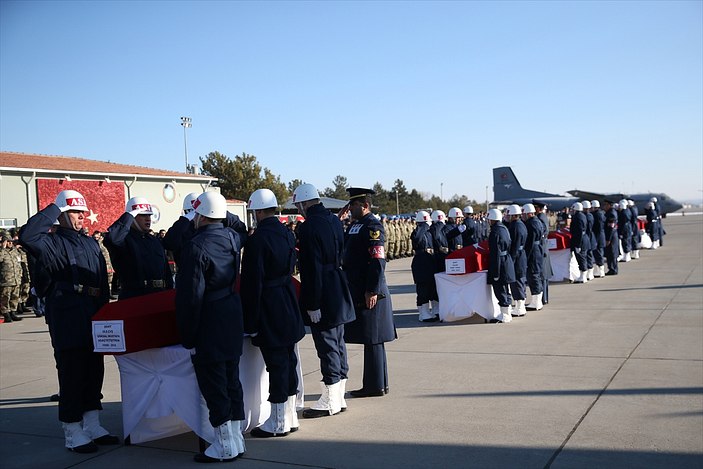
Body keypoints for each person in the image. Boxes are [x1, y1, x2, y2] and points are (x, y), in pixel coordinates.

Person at [19, 190, 117, 453]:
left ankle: (92, 423)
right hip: (67, 313)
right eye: (74, 211)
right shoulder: (50, 242)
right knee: (72, 372)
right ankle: (72, 430)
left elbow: (100, 282)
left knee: (94, 370)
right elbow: (27, 236)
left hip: (92, 310)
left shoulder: (90, 243)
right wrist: (54, 206)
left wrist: (104, 314)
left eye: (82, 212)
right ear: (61, 215)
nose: (80, 217)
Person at [175, 191, 247, 462]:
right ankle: (237, 440)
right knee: (232, 381)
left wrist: (188, 335)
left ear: (201, 215)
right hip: (231, 315)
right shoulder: (231, 238)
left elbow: (190, 296)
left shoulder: (196, 246)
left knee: (214, 384)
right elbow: (240, 229)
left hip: (209, 320)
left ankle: (224, 446)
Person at [240, 189, 305, 437]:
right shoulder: (287, 233)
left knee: (276, 363)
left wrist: (250, 319)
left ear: (256, 211)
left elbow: (251, 282)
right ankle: (290, 416)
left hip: (269, 303)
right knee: (289, 360)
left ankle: (277, 422)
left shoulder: (257, 240)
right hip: (287, 298)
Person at [292, 183, 355, 418]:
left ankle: (330, 400)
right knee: (338, 342)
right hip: (337, 284)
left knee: (327, 344)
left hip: (323, 288)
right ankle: (338, 397)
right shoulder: (333, 220)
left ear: (304, 203)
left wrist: (313, 302)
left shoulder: (309, 227)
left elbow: (312, 268)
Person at [341, 187, 396, 397]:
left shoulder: (373, 226)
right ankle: (378, 383)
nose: (350, 208)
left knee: (373, 337)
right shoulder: (356, 225)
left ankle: (374, 386)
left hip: (371, 290)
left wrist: (371, 289)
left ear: (364, 205)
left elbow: (377, 260)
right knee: (372, 338)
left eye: (353, 205)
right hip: (360, 288)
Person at [104, 197, 173, 300]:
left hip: (159, 295)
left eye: (149, 215)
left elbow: (166, 272)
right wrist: (130, 214)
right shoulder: (123, 240)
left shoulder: (154, 240)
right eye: (142, 215)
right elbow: (112, 239)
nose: (148, 219)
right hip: (135, 297)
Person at [486, 208, 514, 323]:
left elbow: (495, 253)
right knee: (505, 289)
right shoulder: (504, 229)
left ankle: (505, 315)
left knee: (500, 289)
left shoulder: (495, 232)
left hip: (500, 263)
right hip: (506, 260)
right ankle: (506, 312)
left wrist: (496, 272)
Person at [411, 211, 438, 322]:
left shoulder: (428, 232)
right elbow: (417, 238)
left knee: (431, 288)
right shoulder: (417, 231)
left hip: (429, 261)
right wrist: (424, 225)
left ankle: (432, 311)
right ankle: (423, 313)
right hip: (421, 262)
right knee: (423, 289)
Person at [522, 204, 545, 311]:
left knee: (533, 275)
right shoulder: (536, 221)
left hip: (533, 252)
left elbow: (530, 242)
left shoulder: (531, 224)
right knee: (535, 275)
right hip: (537, 250)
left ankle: (536, 301)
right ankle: (537, 300)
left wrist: (526, 256)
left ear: (529, 213)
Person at [506, 205, 527, 316]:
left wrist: (511, 260)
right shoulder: (521, 224)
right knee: (520, 281)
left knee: (517, 282)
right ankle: (521, 305)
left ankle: (519, 308)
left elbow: (514, 245)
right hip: (521, 255)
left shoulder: (515, 226)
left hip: (517, 257)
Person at [532, 202, 553, 305]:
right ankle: (544, 298)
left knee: (542, 274)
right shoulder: (542, 216)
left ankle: (543, 298)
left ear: (538, 208)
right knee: (543, 274)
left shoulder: (540, 217)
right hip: (543, 247)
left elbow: (543, 233)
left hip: (542, 247)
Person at [570, 202, 590, 283]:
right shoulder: (582, 216)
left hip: (580, 240)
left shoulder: (578, 217)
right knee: (582, 257)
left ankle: (583, 276)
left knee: (581, 258)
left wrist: (578, 244)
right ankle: (582, 275)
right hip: (582, 239)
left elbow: (579, 231)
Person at [591, 200, 606, 278]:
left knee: (599, 254)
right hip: (600, 236)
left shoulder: (597, 215)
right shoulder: (600, 213)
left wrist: (596, 239)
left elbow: (598, 228)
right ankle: (599, 270)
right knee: (598, 254)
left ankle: (601, 271)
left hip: (598, 237)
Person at [604, 210, 620, 275]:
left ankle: (613, 269)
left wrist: (608, 239)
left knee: (611, 253)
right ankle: (613, 268)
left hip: (611, 237)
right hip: (613, 236)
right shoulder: (611, 212)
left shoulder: (611, 214)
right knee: (611, 253)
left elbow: (611, 227)